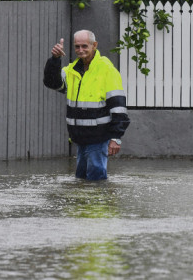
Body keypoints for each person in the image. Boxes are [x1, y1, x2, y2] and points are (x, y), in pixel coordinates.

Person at [43, 30, 130, 180]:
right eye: (77, 46)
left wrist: (116, 137)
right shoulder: (72, 70)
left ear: (94, 45)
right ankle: (84, 204)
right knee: (82, 180)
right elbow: (52, 83)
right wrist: (55, 59)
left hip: (98, 137)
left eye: (84, 46)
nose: (80, 50)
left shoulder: (106, 70)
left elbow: (118, 105)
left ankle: (98, 203)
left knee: (95, 180)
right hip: (80, 137)